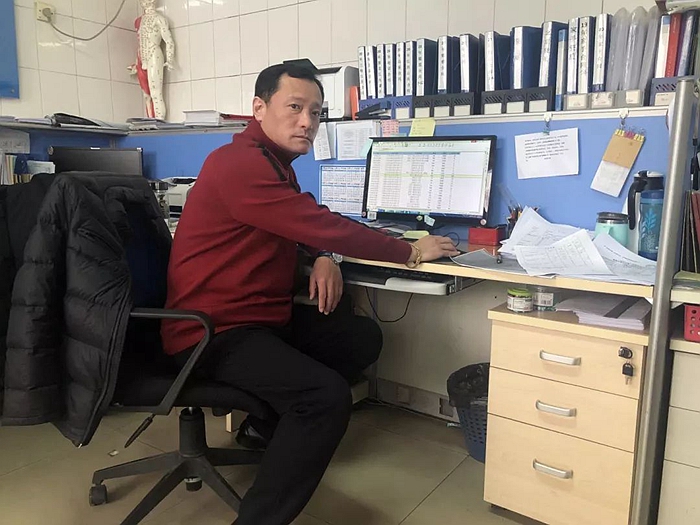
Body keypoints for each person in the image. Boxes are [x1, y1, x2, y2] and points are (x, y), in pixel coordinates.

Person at [161, 63, 459, 525]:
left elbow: (302, 223)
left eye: (316, 113)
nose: (307, 122)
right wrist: (410, 251)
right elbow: (317, 223)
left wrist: (323, 255)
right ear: (259, 108)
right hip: (210, 332)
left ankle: (264, 429)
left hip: (257, 319)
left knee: (359, 337)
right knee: (324, 397)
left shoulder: (274, 164)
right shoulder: (239, 164)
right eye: (295, 108)